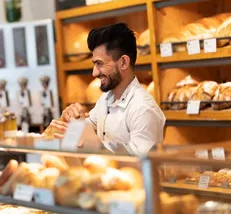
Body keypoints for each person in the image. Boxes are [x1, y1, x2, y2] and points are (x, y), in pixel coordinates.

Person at [50, 23, 166, 155]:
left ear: (123, 62)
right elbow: (81, 138)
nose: (94, 73)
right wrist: (72, 120)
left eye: (99, 64)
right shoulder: (106, 99)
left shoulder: (143, 109)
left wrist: (94, 144)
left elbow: (143, 166)